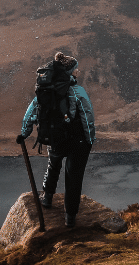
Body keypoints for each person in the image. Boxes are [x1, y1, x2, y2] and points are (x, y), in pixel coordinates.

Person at [17, 52, 95, 228]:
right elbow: (87, 118)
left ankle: (47, 198)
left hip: (55, 138)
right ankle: (70, 217)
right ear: (69, 72)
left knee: (53, 165)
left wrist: (24, 133)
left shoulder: (46, 91)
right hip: (77, 141)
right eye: (76, 69)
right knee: (73, 177)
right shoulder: (77, 92)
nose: (78, 72)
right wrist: (90, 140)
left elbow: (30, 114)